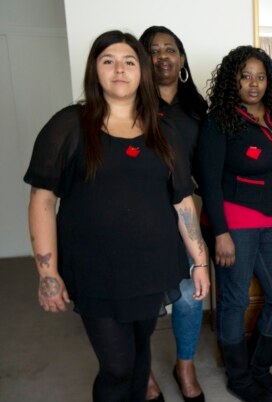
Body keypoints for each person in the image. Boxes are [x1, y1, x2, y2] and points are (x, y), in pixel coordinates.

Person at [24, 30, 210, 402]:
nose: (119, 69)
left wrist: (199, 262)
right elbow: (43, 201)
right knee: (117, 367)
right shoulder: (69, 125)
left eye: (128, 61)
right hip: (95, 270)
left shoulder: (163, 130)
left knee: (140, 361)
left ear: (141, 71)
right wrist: (47, 272)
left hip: (151, 268)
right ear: (95, 70)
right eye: (108, 60)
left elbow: (183, 203)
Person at [197, 45, 272, 402]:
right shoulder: (219, 122)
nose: (253, 84)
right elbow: (209, 181)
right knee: (234, 301)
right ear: (232, 80)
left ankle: (259, 368)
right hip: (234, 222)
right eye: (245, 76)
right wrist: (221, 233)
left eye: (260, 76)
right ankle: (239, 379)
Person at [139, 26, 209, 402]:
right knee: (145, 299)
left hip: (184, 216)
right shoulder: (132, 104)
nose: (163, 56)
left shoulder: (196, 108)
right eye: (154, 50)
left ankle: (185, 364)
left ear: (181, 59)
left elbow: (205, 166)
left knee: (189, 295)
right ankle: (143, 372)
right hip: (142, 218)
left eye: (171, 49)